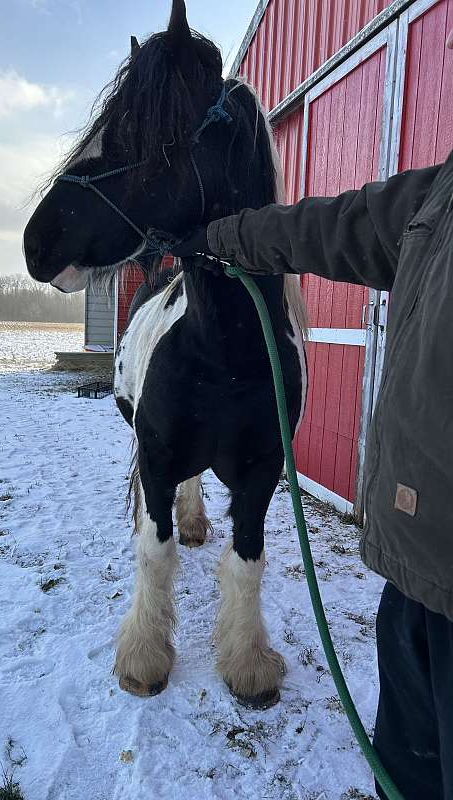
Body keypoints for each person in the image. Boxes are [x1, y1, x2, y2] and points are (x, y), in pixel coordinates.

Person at [172, 34, 453, 800]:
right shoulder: (438, 196)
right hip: (412, 577)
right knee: (406, 767)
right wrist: (215, 240)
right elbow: (324, 228)